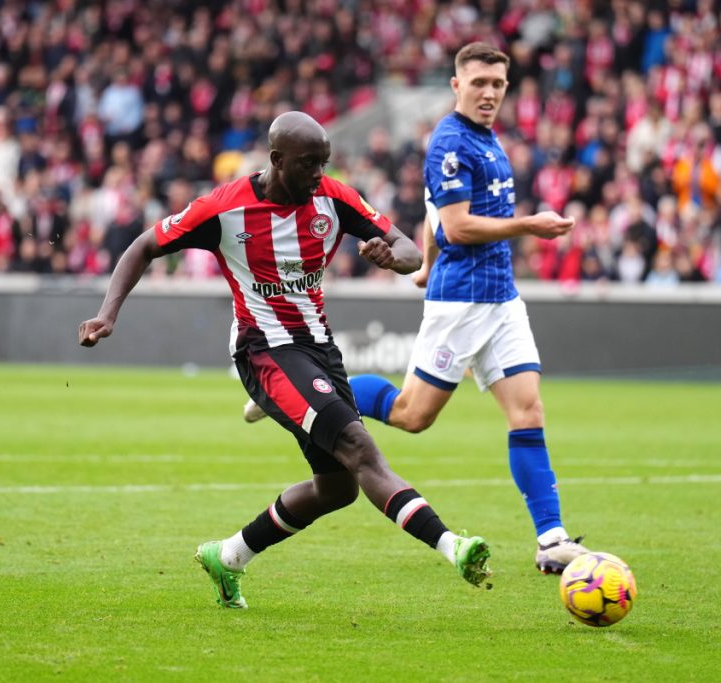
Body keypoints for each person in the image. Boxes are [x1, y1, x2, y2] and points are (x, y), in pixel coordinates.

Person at [78, 112, 492, 609]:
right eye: (309, 164)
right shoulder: (224, 208)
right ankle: (454, 546)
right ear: (277, 161)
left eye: (324, 163)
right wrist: (108, 314)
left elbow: (407, 250)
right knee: (360, 449)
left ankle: (228, 556)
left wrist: (391, 255)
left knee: (337, 489)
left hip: (319, 347)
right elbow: (145, 246)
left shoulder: (334, 198)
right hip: (264, 350)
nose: (319, 174)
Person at [249, 44, 587, 574]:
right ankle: (303, 398)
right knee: (412, 416)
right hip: (462, 300)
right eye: (479, 83)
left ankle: (551, 540)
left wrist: (425, 260)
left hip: (502, 297)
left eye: (498, 84)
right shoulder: (449, 142)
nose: (490, 93)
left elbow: (434, 217)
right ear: (457, 85)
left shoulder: (489, 139)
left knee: (528, 412)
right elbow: (458, 225)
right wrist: (530, 225)